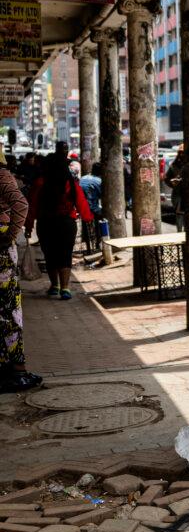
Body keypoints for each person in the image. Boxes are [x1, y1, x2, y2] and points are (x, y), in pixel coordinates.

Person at [26, 153, 94, 300]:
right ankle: (65, 288)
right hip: (66, 224)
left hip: (46, 224)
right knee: (65, 255)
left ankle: (55, 286)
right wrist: (88, 218)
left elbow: (32, 206)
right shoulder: (71, 183)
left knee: (50, 255)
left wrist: (28, 226)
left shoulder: (40, 183)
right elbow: (81, 203)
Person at [0, 151, 40, 393]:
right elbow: (21, 204)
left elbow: (20, 204)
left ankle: (15, 369)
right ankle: (14, 370)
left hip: (2, 253)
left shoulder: (2, 176)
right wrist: (9, 235)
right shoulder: (3, 176)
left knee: (7, 309)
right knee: (7, 309)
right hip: (2, 253)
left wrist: (9, 235)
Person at [79, 163, 104, 251]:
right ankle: (98, 241)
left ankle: (86, 240)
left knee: (85, 222)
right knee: (102, 219)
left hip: (81, 207)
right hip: (93, 207)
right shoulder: (99, 181)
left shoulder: (83, 178)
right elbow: (102, 195)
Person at [165, 144, 188, 230]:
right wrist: (172, 183)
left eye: (183, 153)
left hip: (188, 194)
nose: (182, 155)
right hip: (177, 194)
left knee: (187, 215)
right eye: (180, 153)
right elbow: (167, 179)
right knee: (179, 214)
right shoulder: (174, 166)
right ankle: (179, 232)